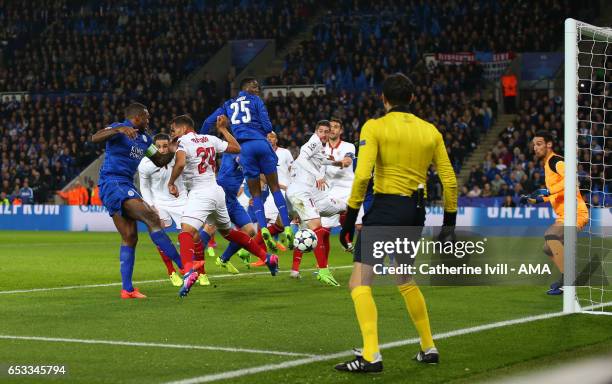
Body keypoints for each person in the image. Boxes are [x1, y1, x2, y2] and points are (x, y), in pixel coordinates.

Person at [336, 73, 457, 372]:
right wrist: (449, 226)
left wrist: (350, 218)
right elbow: (450, 181)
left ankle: (371, 355)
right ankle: (429, 347)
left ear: (384, 99)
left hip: (388, 207)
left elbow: (363, 176)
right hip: (417, 211)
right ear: (412, 98)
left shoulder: (375, 126)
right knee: (404, 278)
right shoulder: (431, 131)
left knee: (359, 282)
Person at [168, 114, 279, 297]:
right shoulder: (211, 139)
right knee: (228, 233)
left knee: (186, 231)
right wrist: (223, 130)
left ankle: (188, 272)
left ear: (183, 128)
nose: (173, 133)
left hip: (200, 192)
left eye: (174, 129)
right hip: (216, 191)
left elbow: (180, 164)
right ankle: (266, 257)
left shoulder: (184, 142)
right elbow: (236, 148)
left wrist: (171, 182)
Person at [92, 102, 183, 299]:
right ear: (137, 118)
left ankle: (127, 289)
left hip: (126, 185)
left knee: (130, 237)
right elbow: (95, 137)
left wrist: (173, 150)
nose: (149, 120)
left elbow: (159, 160)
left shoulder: (145, 139)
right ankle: (184, 266)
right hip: (112, 182)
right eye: (146, 117)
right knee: (152, 217)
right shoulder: (119, 128)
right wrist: (118, 129)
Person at [201, 77, 293, 250]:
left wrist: (200, 139)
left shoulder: (228, 105)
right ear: (247, 88)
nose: (257, 89)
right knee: (274, 187)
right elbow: (267, 126)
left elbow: (208, 122)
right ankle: (287, 226)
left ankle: (263, 229)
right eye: (254, 86)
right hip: (260, 144)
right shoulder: (256, 100)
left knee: (255, 195)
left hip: (244, 149)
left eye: (258, 86)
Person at [519, 131, 589, 295]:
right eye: (534, 145)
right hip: (564, 214)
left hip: (576, 212)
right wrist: (535, 200)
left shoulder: (555, 161)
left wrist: (548, 190)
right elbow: (557, 193)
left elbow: (572, 179)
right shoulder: (547, 165)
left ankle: (570, 280)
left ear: (549, 144)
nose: (535, 148)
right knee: (548, 248)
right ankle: (566, 278)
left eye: (539, 143)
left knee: (551, 235)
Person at [139, 133, 211, 287]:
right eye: (159, 147)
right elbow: (144, 187)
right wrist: (151, 206)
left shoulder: (177, 157)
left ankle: (202, 272)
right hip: (159, 202)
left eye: (165, 146)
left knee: (194, 235)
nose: (163, 149)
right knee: (160, 234)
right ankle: (171, 272)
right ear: (153, 147)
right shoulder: (145, 163)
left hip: (181, 200)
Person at [286, 120, 346, 285]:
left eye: (327, 131)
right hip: (301, 194)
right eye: (321, 131)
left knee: (326, 221)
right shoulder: (313, 141)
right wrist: (318, 175)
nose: (325, 134)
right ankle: (323, 271)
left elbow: (320, 160)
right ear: (315, 131)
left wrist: (336, 162)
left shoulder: (319, 146)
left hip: (306, 195)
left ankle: (298, 267)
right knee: (317, 228)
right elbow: (302, 158)